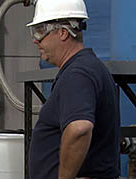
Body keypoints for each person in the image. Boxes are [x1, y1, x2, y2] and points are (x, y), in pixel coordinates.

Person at [26, 0, 120, 178]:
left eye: (40, 31)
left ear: (63, 33)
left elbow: (80, 128)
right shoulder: (86, 69)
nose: (35, 40)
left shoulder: (78, 73)